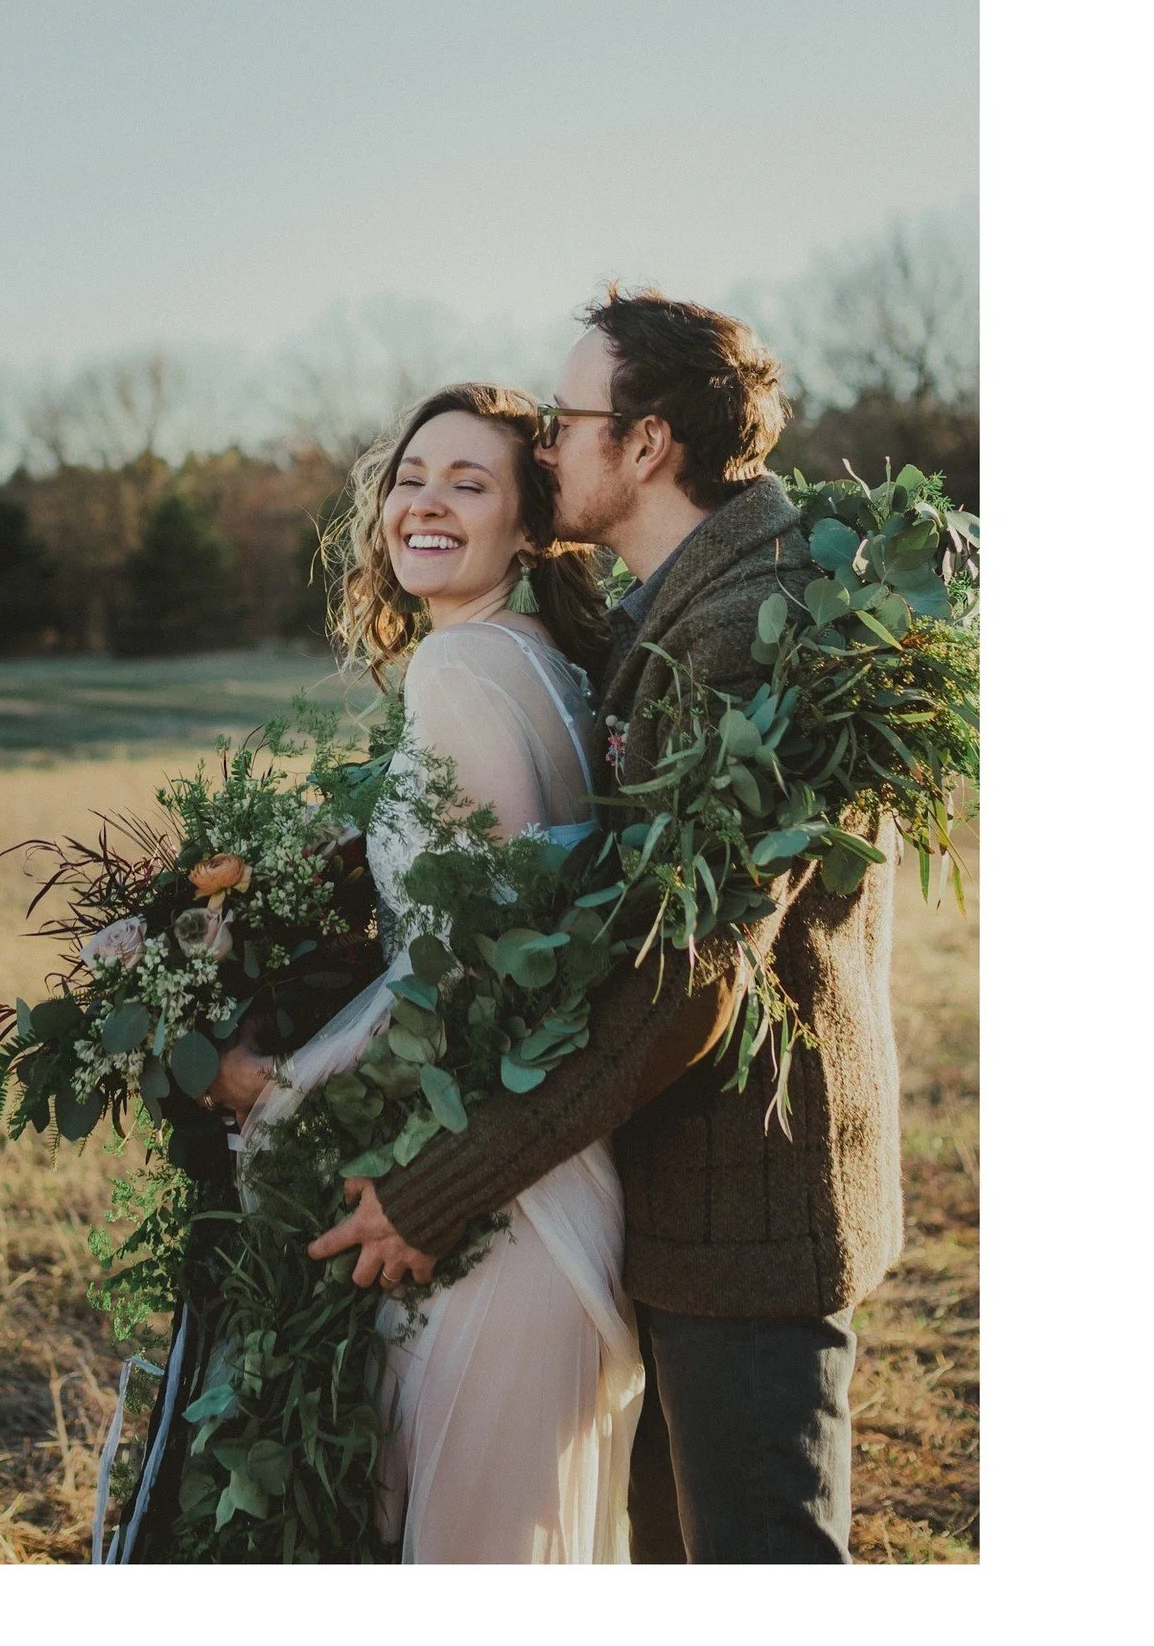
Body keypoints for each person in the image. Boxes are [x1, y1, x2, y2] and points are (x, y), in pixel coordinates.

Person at [312, 291, 905, 1564]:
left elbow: (688, 981)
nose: (546, 448)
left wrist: (441, 1190)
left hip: (748, 1199)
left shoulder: (753, 628)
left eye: (568, 420)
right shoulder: (673, 610)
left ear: (645, 446)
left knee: (759, 1562)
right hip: (664, 1195)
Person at [207, 383, 645, 1563]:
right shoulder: (542, 660)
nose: (425, 503)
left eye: (469, 482)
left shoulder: (460, 674)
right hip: (528, 1157)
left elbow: (468, 975)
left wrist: (278, 1088)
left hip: (493, 1197)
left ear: (529, 526)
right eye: (410, 476)